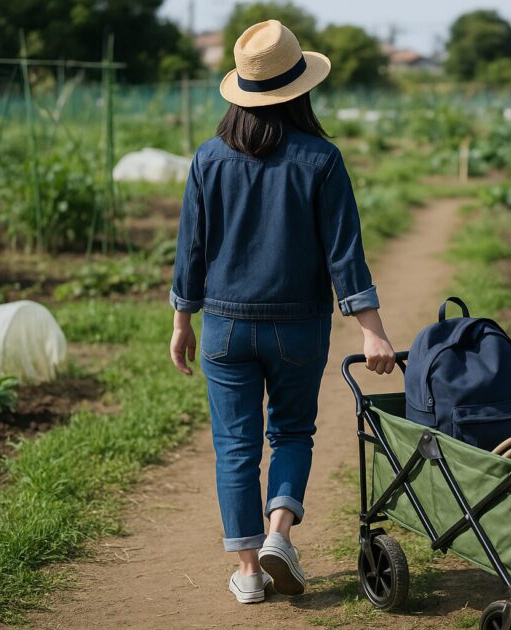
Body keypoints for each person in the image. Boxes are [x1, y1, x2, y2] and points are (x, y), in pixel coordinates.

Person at [168, 19, 395, 604]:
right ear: (301, 89)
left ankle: (248, 573)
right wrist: (372, 332)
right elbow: (344, 251)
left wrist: (181, 321)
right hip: (297, 325)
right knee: (293, 430)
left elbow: (190, 247)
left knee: (235, 445)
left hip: (222, 326)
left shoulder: (207, 159)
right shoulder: (322, 159)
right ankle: (278, 534)